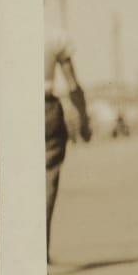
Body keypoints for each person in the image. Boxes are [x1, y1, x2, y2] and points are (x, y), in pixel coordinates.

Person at [45, 25, 91, 263]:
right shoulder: (53, 37)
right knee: (48, 179)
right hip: (46, 109)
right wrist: (84, 121)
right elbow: (72, 84)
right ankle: (40, 248)